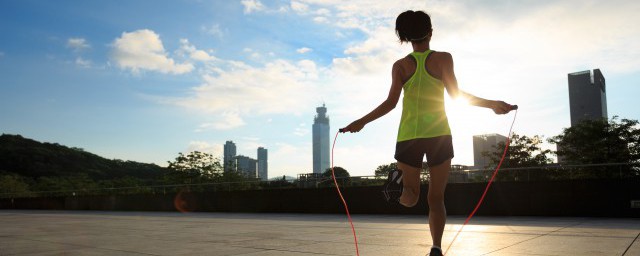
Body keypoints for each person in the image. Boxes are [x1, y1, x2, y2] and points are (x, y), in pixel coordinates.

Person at [340, 10, 515, 256]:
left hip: (408, 136)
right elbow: (456, 95)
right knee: (436, 198)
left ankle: (396, 189)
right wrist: (492, 104)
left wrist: (361, 122)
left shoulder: (400, 66)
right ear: (430, 32)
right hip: (439, 135)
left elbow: (390, 104)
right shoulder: (443, 59)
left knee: (410, 197)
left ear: (405, 38)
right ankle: (435, 249)